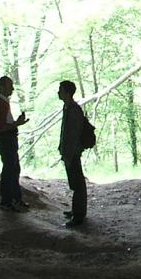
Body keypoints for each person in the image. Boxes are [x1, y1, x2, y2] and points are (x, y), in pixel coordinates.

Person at [0, 75, 28, 211]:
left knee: (14, 170)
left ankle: (15, 199)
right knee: (10, 171)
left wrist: (16, 124)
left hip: (6, 140)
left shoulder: (3, 103)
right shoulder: (1, 104)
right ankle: (6, 201)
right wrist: (17, 124)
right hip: (6, 140)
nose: (13, 88)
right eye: (10, 86)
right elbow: (2, 127)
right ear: (2, 87)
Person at [57, 80, 89, 225]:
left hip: (73, 151)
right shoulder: (68, 107)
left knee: (78, 184)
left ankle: (78, 216)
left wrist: (69, 153)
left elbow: (74, 133)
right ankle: (76, 211)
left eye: (60, 89)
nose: (58, 92)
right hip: (69, 151)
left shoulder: (73, 109)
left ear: (67, 92)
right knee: (75, 183)